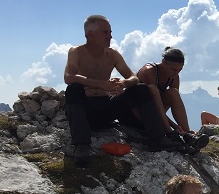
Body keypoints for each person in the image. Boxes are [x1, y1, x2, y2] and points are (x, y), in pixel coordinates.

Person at [64, 15, 183, 165]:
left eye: (110, 32)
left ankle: (157, 139)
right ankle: (81, 145)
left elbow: (133, 77)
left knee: (141, 89)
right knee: (73, 89)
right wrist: (101, 84)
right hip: (85, 110)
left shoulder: (112, 54)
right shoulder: (76, 52)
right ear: (90, 35)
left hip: (106, 107)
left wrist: (123, 83)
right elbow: (69, 77)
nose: (110, 36)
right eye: (105, 32)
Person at [136, 47, 209, 152]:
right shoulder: (149, 71)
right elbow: (154, 104)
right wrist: (172, 127)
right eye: (173, 69)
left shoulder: (174, 77)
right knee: (153, 90)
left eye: (179, 70)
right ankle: (170, 133)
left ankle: (188, 136)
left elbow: (174, 101)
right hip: (139, 112)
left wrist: (179, 128)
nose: (175, 73)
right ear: (164, 62)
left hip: (157, 114)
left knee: (173, 92)